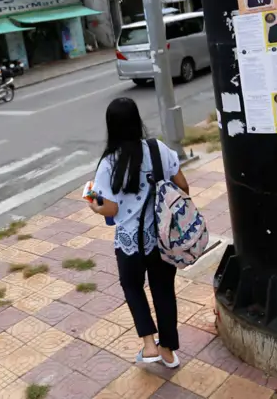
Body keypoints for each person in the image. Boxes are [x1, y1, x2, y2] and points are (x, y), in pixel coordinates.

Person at [88, 97, 189, 368]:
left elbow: (109, 208)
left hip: (129, 242)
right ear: (137, 121)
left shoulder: (109, 163)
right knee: (164, 290)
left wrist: (94, 206)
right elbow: (183, 186)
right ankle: (167, 350)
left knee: (132, 286)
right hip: (162, 237)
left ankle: (148, 345)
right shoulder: (158, 150)